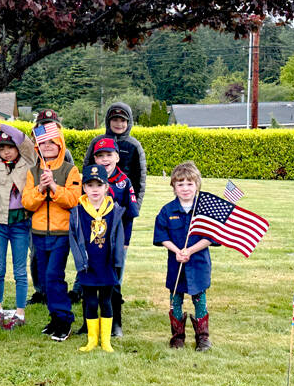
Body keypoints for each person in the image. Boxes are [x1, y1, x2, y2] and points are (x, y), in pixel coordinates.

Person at [22, 117, 81, 342]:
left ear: (60, 145)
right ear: (38, 147)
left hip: (61, 233)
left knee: (54, 276)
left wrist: (54, 187)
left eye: (52, 143)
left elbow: (73, 199)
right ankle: (55, 317)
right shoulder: (33, 171)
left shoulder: (70, 170)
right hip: (38, 233)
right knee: (45, 280)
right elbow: (28, 202)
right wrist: (41, 188)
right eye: (43, 143)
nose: (47, 147)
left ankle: (64, 319)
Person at [75, 137, 139, 338]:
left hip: (114, 244)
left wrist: (125, 242)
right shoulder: (89, 181)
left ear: (117, 157)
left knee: (114, 282)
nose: (104, 159)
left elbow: (129, 215)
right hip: (91, 244)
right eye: (100, 155)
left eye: (109, 155)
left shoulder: (123, 182)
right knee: (87, 280)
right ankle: (88, 323)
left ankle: (115, 323)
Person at [0, 109, 36, 328]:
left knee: (20, 269)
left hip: (21, 223)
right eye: (1, 148)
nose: (6, 152)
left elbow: (22, 138)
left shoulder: (28, 160)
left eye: (9, 148)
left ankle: (20, 313)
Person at [153, 161, 216, 351]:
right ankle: (177, 336)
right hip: (176, 263)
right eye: (180, 184)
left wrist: (190, 250)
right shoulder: (167, 210)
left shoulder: (205, 211)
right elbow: (162, 236)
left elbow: (210, 237)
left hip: (198, 263)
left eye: (190, 184)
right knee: (176, 299)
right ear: (173, 187)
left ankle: (202, 337)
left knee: (199, 298)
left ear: (197, 184)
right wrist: (177, 251)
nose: (185, 188)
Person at [69, 164, 127, 353]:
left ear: (106, 187)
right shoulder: (78, 212)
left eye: (99, 185)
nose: (95, 189)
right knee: (91, 302)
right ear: (84, 188)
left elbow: (119, 238)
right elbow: (73, 239)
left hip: (106, 265)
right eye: (90, 185)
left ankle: (106, 341)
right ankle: (91, 340)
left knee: (106, 302)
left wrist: (117, 262)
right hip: (88, 266)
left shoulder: (114, 210)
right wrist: (79, 262)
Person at [27, 109, 74, 306]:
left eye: (51, 126)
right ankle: (41, 290)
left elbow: (71, 193)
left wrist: (53, 187)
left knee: (55, 268)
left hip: (59, 224)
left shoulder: (66, 159)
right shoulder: (32, 153)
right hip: (37, 219)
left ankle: (55, 296)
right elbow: (28, 198)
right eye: (42, 126)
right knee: (36, 256)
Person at [84, 103, 147, 210]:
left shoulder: (134, 145)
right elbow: (87, 171)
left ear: (129, 122)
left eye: (123, 120)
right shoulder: (97, 142)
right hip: (96, 203)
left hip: (124, 204)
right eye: (115, 120)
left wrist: (135, 206)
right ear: (108, 121)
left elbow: (140, 179)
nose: (119, 124)